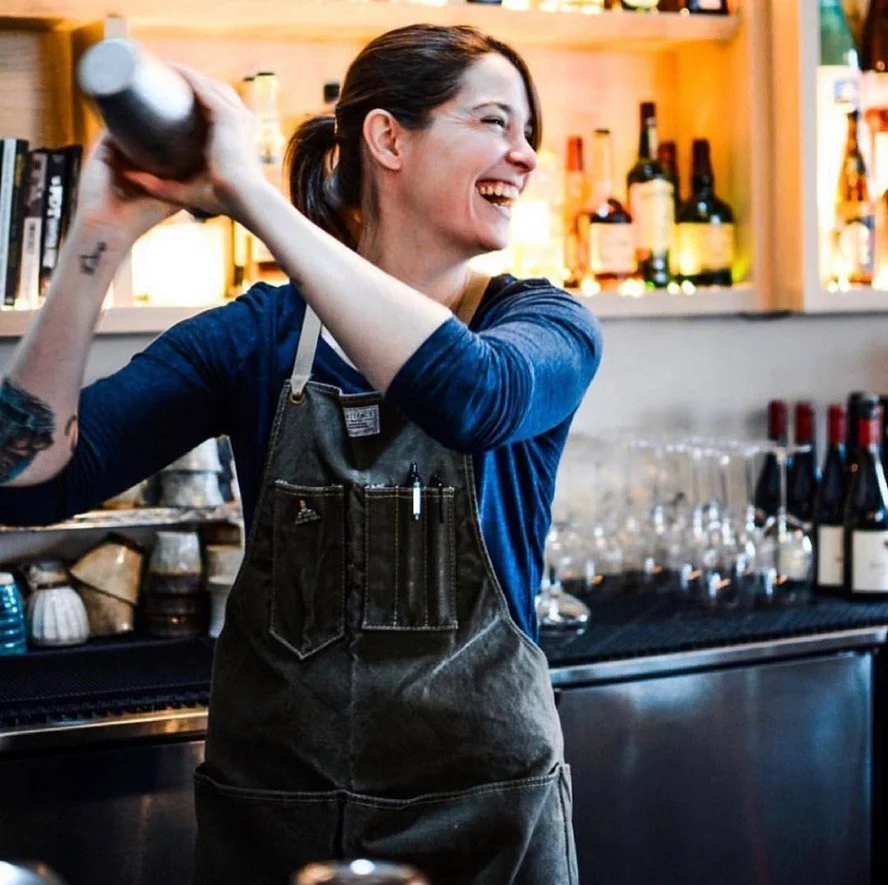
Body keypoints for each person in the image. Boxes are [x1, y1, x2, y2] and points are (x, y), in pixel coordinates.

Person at [0, 23, 601, 885]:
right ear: (388, 138)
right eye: (496, 123)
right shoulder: (259, 337)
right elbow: (26, 481)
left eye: (529, 132)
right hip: (275, 833)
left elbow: (466, 394)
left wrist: (246, 192)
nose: (526, 155)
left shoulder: (540, 328)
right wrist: (98, 240)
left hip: (487, 831)